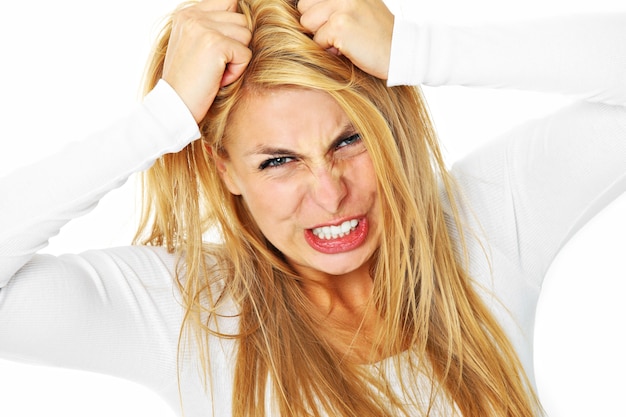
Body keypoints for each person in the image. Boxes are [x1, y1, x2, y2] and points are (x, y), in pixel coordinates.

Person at [0, 0, 624, 416]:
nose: (329, 195)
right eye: (278, 161)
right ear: (225, 169)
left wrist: (421, 49)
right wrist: (161, 118)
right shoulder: (187, 314)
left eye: (349, 140)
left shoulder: (487, 224)